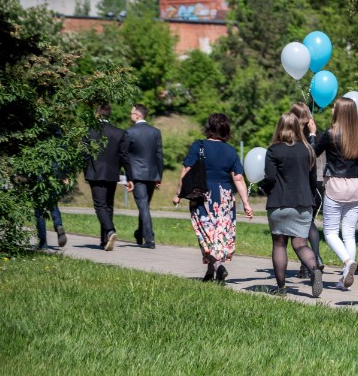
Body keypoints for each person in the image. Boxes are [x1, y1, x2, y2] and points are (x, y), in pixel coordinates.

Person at [173, 113, 253, 284]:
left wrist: (178, 194)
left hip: (202, 194)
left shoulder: (199, 145)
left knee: (206, 233)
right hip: (225, 197)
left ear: (208, 127)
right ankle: (210, 273)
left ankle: (218, 267)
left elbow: (186, 171)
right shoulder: (231, 150)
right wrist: (246, 203)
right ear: (226, 130)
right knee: (219, 234)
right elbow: (238, 179)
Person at [262, 113, 324, 298]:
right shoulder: (307, 150)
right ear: (298, 127)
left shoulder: (273, 150)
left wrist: (263, 188)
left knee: (279, 244)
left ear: (279, 127)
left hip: (279, 203)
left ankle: (281, 289)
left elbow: (271, 178)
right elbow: (313, 180)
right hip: (303, 202)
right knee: (300, 244)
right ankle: (314, 269)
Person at [315, 97, 358, 290]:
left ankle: (347, 262)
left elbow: (314, 151)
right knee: (349, 234)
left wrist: (312, 135)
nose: (331, 110)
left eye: (334, 107)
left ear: (340, 112)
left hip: (336, 185)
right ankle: (345, 279)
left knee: (329, 232)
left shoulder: (330, 133)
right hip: (355, 186)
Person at [84, 104, 131, 251]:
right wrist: (130, 177)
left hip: (95, 172)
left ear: (97, 114)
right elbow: (124, 157)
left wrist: (85, 171)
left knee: (99, 205)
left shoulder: (89, 132)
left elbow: (84, 155)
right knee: (108, 205)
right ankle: (104, 240)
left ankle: (110, 231)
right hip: (112, 173)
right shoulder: (119, 133)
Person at [289, 102, 325, 277]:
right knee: (309, 223)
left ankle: (312, 261)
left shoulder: (296, 138)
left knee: (300, 227)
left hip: (304, 185)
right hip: (318, 184)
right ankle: (313, 260)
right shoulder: (317, 134)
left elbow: (309, 156)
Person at [125, 103, 164, 249]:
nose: (130, 115)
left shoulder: (129, 132)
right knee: (144, 206)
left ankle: (150, 239)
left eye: (131, 113)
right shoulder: (156, 132)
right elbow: (159, 155)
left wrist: (128, 177)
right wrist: (159, 175)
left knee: (143, 207)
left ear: (137, 115)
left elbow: (125, 157)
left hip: (137, 175)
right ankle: (140, 232)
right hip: (152, 174)